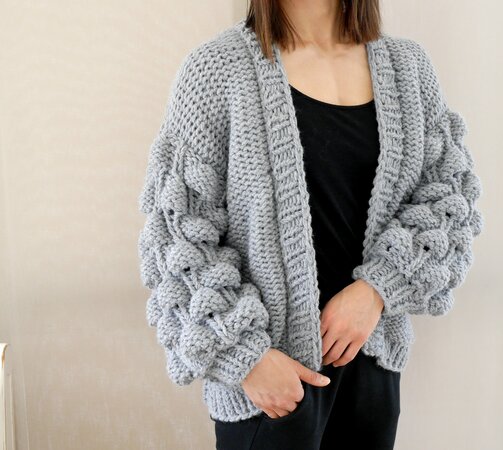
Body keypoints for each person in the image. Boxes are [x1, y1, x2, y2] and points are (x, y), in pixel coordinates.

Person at [136, 1, 484, 449]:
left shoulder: (408, 69)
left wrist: (377, 289)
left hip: (370, 374)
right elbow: (176, 235)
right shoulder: (217, 70)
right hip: (270, 390)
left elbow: (450, 201)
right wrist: (246, 357)